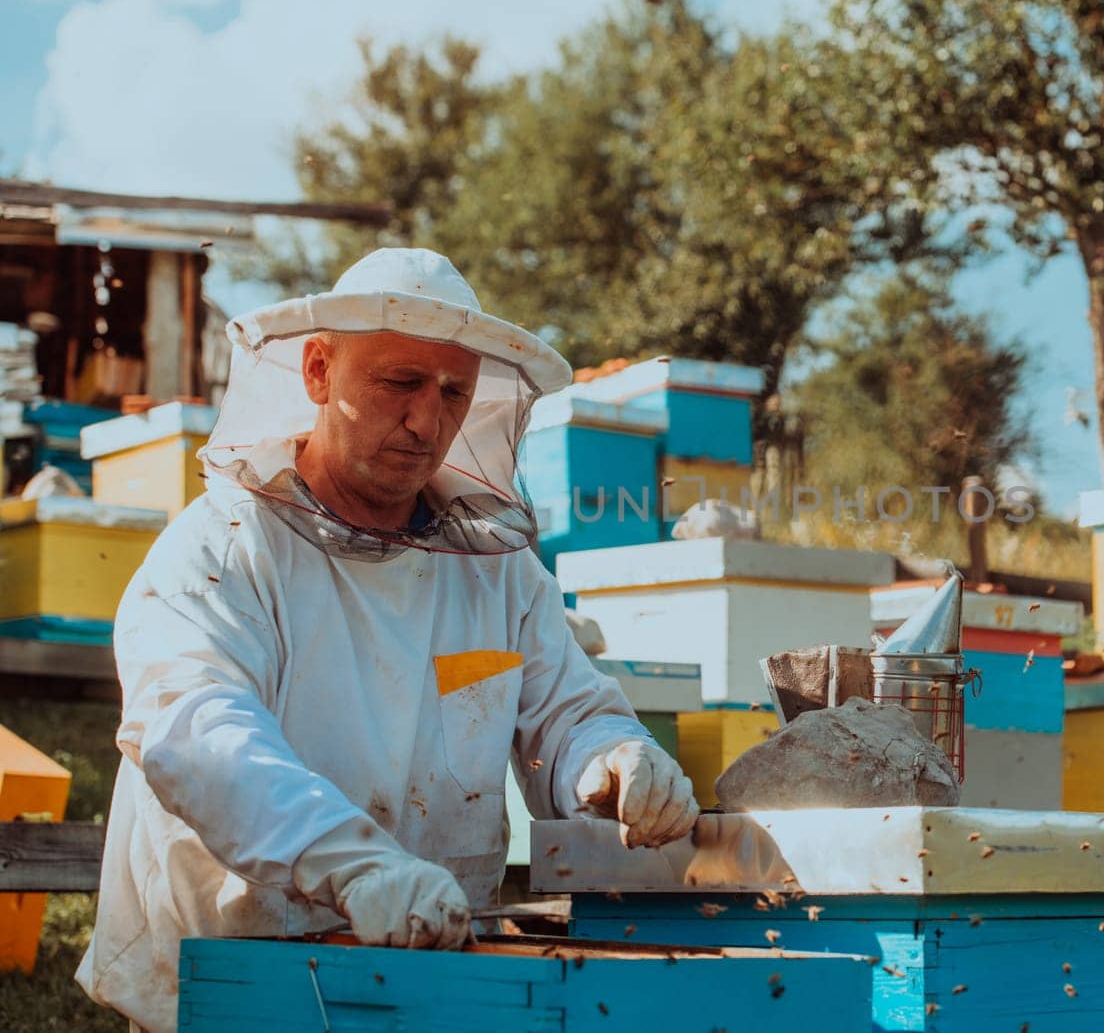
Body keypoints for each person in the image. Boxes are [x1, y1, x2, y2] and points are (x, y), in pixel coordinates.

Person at [77, 248, 699, 1031]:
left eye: (454, 392)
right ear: (316, 371)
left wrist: (611, 755)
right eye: (400, 382)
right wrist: (351, 862)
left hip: (433, 965)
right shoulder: (222, 548)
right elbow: (196, 729)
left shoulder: (496, 571)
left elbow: (564, 714)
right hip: (234, 974)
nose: (427, 420)